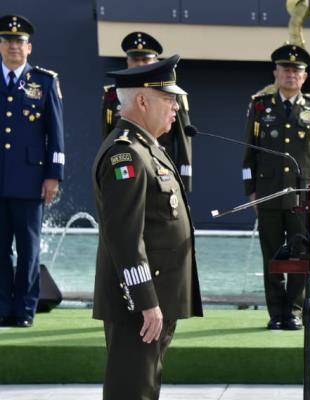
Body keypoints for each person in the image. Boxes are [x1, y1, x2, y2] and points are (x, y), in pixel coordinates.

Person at [92, 55, 202, 400]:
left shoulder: (149, 149)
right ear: (141, 101)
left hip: (155, 297)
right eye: (168, 100)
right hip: (138, 303)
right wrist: (145, 300)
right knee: (132, 389)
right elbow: (124, 237)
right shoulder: (126, 154)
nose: (175, 108)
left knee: (145, 386)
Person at [243, 44, 310, 330]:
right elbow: (249, 154)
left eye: (297, 71)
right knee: (271, 255)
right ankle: (275, 313)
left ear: (304, 77)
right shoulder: (260, 106)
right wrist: (251, 192)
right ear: (276, 73)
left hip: (302, 197)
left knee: (299, 255)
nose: (291, 74)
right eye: (285, 69)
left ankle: (292, 312)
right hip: (268, 195)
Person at [0, 14, 64, 328]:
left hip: (30, 181)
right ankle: (2, 307)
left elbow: (56, 132)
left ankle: (24, 310)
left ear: (29, 47)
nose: (14, 46)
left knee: (28, 249)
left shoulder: (44, 82)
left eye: (20, 41)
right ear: (0, 46)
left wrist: (54, 175)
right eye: (8, 41)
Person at [101, 32, 195, 191]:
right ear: (127, 61)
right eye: (135, 60)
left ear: (155, 61)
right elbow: (108, 136)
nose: (139, 65)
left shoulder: (169, 95)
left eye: (145, 60)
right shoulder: (113, 94)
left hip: (162, 170)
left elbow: (183, 140)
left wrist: (183, 183)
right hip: (126, 166)